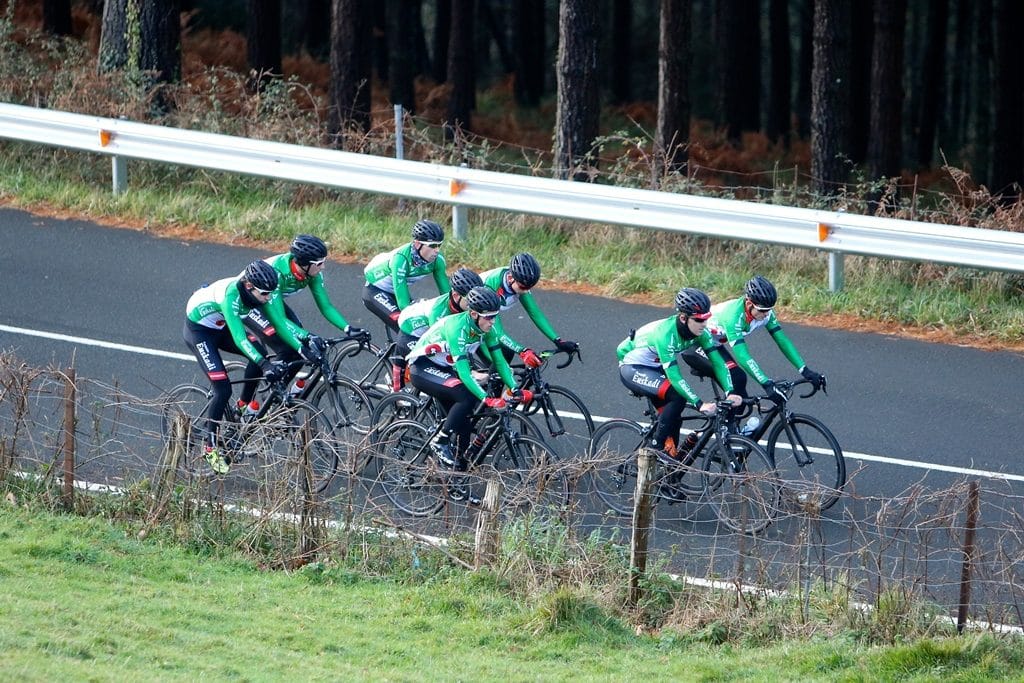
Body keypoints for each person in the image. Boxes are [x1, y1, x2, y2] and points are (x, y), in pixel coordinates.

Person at [183, 260, 318, 474]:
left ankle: (242, 405)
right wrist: (266, 366)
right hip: (200, 332)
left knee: (260, 354)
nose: (267, 299)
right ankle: (209, 446)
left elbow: (280, 325)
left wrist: (303, 349)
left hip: (222, 326)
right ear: (249, 287)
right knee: (222, 388)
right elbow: (239, 338)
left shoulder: (260, 292)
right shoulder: (231, 297)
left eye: (270, 294)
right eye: (264, 294)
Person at [406, 286, 533, 503]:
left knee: (464, 426)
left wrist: (515, 387)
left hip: (445, 368)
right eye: (489, 317)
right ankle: (440, 440)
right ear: (474, 314)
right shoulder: (457, 328)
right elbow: (464, 373)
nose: (493, 322)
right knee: (466, 396)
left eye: (495, 316)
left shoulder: (487, 329)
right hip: (422, 367)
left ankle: (457, 483)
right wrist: (487, 398)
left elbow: (500, 361)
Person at [616, 288, 741, 463]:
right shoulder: (665, 335)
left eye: (706, 318)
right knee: (677, 397)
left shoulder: (701, 333)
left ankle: (668, 472)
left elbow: (718, 363)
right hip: (632, 366)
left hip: (653, 366)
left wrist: (730, 391)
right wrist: (699, 403)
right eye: (699, 320)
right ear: (683, 318)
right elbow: (675, 376)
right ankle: (654, 448)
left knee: (675, 417)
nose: (704, 324)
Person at [243, 234, 367, 400]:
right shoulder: (278, 272)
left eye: (324, 261)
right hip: (251, 303)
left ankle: (278, 399)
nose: (323, 267)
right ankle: (245, 404)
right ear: (304, 263)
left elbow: (326, 306)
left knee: (302, 349)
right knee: (287, 347)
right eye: (319, 263)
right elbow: (279, 320)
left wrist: (347, 328)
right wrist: (307, 335)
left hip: (271, 302)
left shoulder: (311, 273)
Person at [694, 275, 824, 407]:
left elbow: (783, 341)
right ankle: (726, 425)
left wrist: (805, 370)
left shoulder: (765, 312)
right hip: (694, 344)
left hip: (713, 345)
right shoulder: (733, 317)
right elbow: (743, 356)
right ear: (749, 304)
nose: (767, 314)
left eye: (769, 309)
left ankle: (730, 424)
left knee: (740, 394)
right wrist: (766, 383)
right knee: (736, 378)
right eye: (763, 311)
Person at [478, 252, 579, 369]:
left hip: (484, 318)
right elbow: (498, 332)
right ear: (510, 278)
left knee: (503, 361)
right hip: (471, 320)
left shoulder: (520, 281)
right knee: (502, 359)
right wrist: (523, 351)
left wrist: (558, 340)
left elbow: (535, 313)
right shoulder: (492, 286)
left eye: (530, 288)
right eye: (523, 288)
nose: (526, 292)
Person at [391, 267, 483, 391]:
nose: (474, 303)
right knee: (437, 368)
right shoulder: (438, 312)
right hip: (410, 335)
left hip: (426, 332)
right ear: (456, 296)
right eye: (470, 299)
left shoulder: (463, 309)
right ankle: (396, 389)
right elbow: (443, 344)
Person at [362, 219, 450, 334]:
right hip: (375, 291)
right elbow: (404, 305)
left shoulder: (437, 261)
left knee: (423, 325)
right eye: (432, 246)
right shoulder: (401, 260)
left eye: (439, 245)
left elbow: (448, 296)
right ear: (417, 244)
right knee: (407, 327)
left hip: (395, 291)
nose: (437, 250)